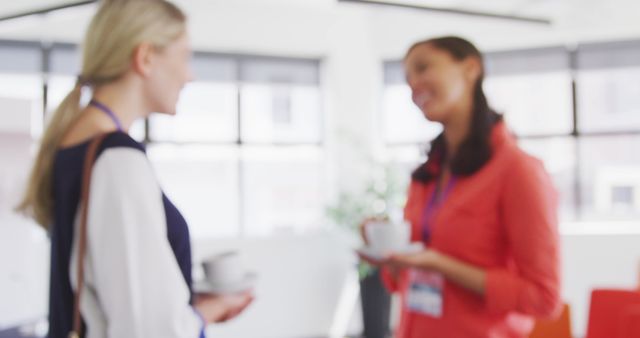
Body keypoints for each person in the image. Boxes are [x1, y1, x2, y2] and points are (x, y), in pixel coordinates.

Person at [16, 1, 253, 337]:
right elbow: (148, 329)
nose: (191, 74)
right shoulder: (117, 161)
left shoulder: (75, 145)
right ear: (145, 58)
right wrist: (206, 313)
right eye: (184, 57)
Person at [359, 36, 561, 337]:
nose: (413, 84)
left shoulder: (518, 170)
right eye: (407, 77)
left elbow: (544, 298)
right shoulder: (426, 175)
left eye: (423, 68)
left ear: (470, 68)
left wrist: (442, 265)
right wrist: (389, 254)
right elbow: (403, 281)